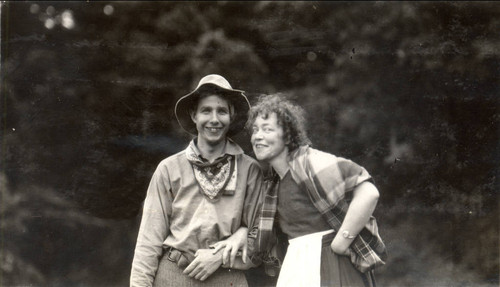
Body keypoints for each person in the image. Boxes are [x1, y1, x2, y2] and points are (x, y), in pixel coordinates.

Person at [130, 74, 262, 287]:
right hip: (174, 274)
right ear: (193, 115)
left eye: (222, 111)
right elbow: (149, 240)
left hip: (227, 276)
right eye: (206, 111)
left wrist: (221, 254)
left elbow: (261, 236)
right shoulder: (169, 168)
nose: (214, 119)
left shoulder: (250, 169)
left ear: (231, 115)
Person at [247, 94, 387, 287]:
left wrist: (341, 242)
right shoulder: (273, 182)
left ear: (287, 136)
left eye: (267, 129)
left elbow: (369, 193)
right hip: (298, 263)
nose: (258, 136)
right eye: (255, 130)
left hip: (331, 263)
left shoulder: (310, 163)